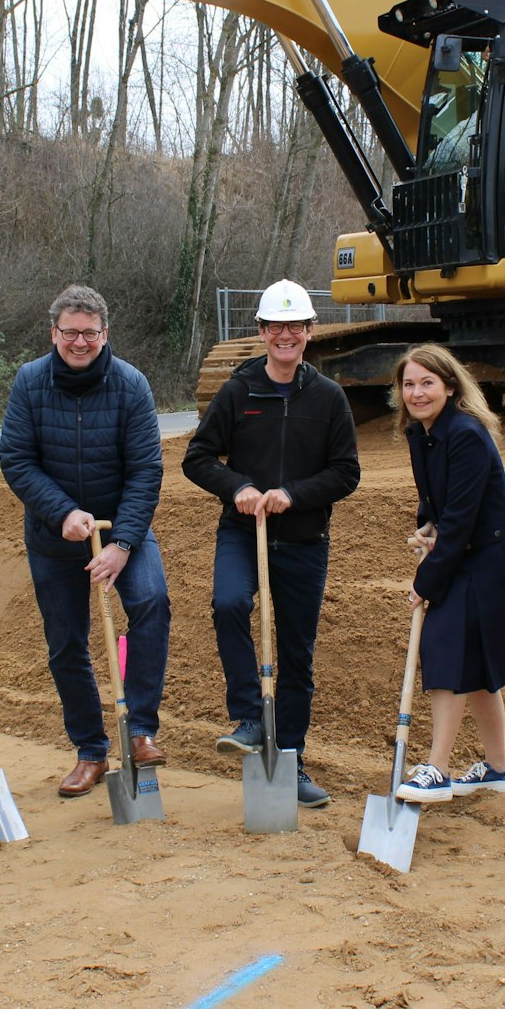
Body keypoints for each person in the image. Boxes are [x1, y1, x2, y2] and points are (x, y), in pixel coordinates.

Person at [182, 279, 360, 808]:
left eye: (296, 326)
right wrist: (238, 487)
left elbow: (346, 472)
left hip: (304, 539)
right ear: (261, 332)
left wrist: (293, 495)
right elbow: (197, 457)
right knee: (228, 603)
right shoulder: (238, 393)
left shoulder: (328, 398)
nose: (286, 335)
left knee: (296, 655)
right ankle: (249, 717)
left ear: (310, 332)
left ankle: (291, 758)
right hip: (243, 533)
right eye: (275, 326)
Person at [0, 285, 171, 798]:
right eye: (70, 332)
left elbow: (146, 469)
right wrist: (62, 513)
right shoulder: (30, 383)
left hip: (122, 530)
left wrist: (122, 544)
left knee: (151, 603)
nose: (80, 342)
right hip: (55, 537)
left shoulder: (130, 384)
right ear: (54, 333)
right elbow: (17, 461)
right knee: (67, 642)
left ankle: (138, 729)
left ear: (105, 334)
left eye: (89, 333)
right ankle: (91, 750)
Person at [389, 344, 505, 803]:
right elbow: (439, 503)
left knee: (443, 646)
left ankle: (437, 770)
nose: (418, 393)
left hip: (491, 560)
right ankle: (497, 769)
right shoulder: (419, 433)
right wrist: (427, 524)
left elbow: (461, 522)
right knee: (480, 666)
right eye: (409, 384)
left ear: (448, 386)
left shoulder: (465, 433)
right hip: (465, 552)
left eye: (427, 383)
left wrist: (425, 583)